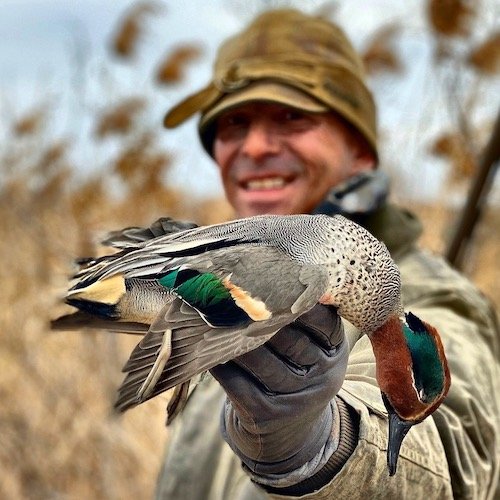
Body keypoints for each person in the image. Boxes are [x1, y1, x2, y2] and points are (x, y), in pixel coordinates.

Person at [152, 9, 500, 499]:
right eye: (233, 124)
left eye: (292, 117)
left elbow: (453, 451)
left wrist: (321, 446)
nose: (253, 146)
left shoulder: (431, 298)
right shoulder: (223, 284)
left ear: (360, 149)